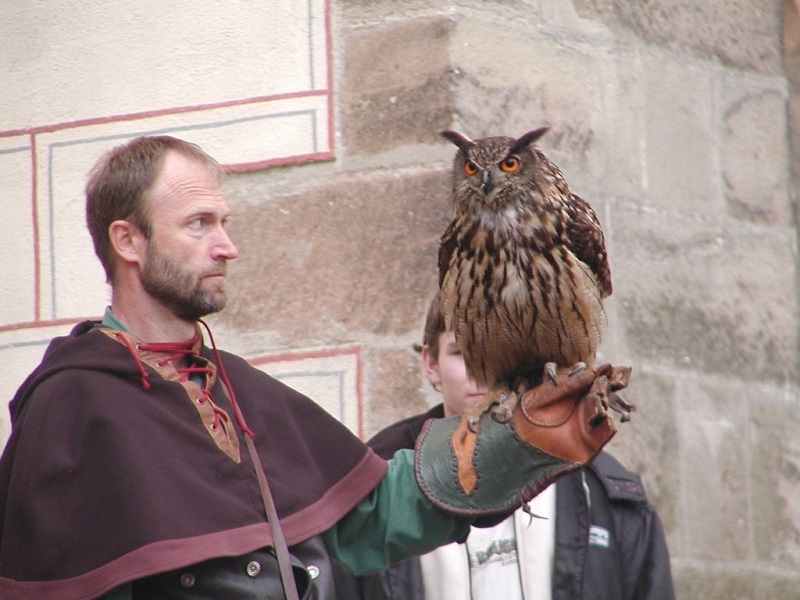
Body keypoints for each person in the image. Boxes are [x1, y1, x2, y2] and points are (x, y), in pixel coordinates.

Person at [0, 136, 626, 600]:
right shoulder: (72, 406)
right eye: (199, 225)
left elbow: (372, 519)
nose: (228, 246)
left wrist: (513, 442)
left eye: (225, 223)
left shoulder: (238, 390)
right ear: (128, 242)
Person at [358, 292, 675, 600]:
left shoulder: (611, 495)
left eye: (502, 356)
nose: (485, 373)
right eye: (464, 353)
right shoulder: (376, 483)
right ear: (430, 362)